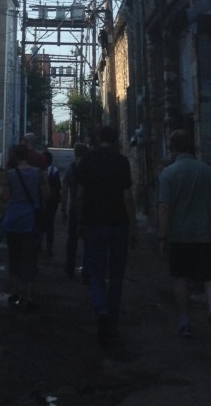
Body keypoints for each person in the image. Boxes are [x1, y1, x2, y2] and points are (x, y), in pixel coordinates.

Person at [157, 128, 211, 346]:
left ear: (173, 148)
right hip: (207, 234)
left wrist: (161, 236)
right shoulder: (208, 172)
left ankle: (185, 320)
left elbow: (165, 207)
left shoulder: (168, 174)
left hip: (180, 236)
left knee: (180, 278)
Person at [76, 125, 137, 348]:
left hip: (93, 223)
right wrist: (134, 227)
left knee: (97, 271)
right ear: (115, 140)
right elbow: (128, 197)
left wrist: (80, 220)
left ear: (99, 138)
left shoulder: (88, 161)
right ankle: (112, 318)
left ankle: (101, 310)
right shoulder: (122, 162)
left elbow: (81, 194)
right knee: (117, 274)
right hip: (118, 224)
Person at [0, 143, 50, 310]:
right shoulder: (38, 173)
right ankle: (29, 295)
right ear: (28, 156)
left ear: (14, 156)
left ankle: (14, 292)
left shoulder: (10, 174)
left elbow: (5, 197)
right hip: (31, 221)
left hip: (13, 220)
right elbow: (46, 195)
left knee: (13, 256)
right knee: (30, 258)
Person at [60, 141, 88, 280]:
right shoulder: (91, 169)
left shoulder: (71, 168)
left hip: (74, 208)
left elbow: (64, 190)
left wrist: (63, 208)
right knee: (89, 240)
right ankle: (87, 270)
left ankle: (70, 267)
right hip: (89, 208)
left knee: (72, 240)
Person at [42, 150, 62, 256]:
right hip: (53, 199)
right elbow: (58, 186)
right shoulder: (54, 170)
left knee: (40, 222)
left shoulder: (40, 171)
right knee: (50, 223)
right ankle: (49, 247)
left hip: (43, 199)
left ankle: (39, 245)